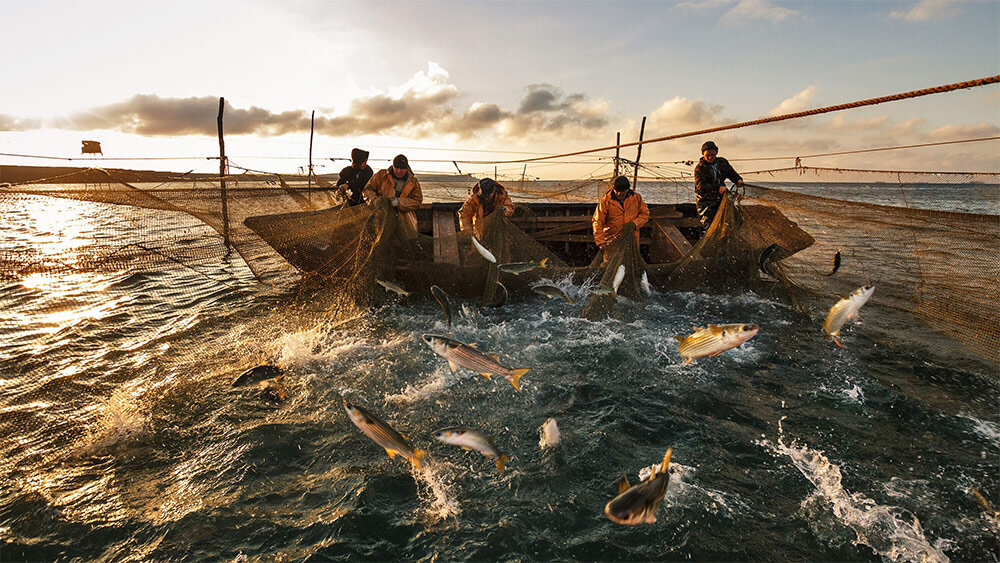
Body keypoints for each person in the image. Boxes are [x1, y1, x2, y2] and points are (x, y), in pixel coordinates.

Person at [363, 154, 423, 236]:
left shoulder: (413, 181)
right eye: (396, 168)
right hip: (382, 218)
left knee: (404, 245)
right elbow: (367, 190)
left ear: (406, 168)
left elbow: (417, 201)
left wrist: (399, 202)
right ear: (393, 166)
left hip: (405, 222)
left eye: (401, 169)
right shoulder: (381, 175)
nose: (398, 171)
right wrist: (374, 200)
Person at [592, 175, 650, 251]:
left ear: (627, 189)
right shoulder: (605, 201)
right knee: (612, 262)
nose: (619, 193)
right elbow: (597, 221)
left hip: (631, 241)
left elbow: (645, 214)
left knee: (630, 261)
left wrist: (634, 224)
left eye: (622, 191)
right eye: (617, 191)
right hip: (612, 241)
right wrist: (600, 242)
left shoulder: (636, 198)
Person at [693, 141, 743, 229]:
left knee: (737, 219)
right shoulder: (700, 168)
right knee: (710, 226)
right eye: (707, 155)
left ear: (716, 152)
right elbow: (701, 186)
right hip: (705, 201)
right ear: (702, 154)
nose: (710, 157)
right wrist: (717, 188)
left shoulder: (722, 162)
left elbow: (731, 173)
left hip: (721, 198)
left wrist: (738, 180)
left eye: (712, 155)